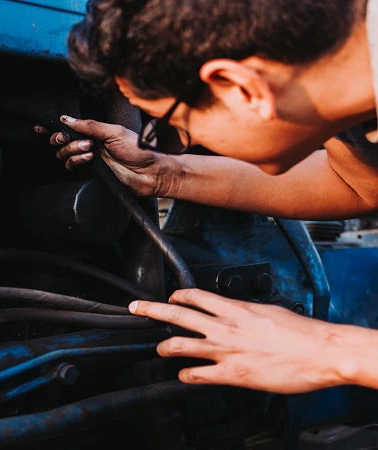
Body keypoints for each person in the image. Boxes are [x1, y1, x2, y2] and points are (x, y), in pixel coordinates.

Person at [43, 0, 378, 394]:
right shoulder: (350, 75)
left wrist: (325, 349)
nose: (187, 142)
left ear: (240, 87)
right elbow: (359, 182)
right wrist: (165, 172)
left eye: (172, 127)